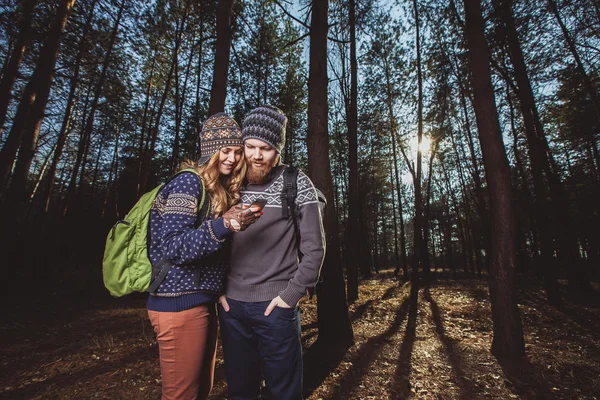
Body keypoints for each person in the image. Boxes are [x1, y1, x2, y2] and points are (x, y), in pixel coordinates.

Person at [147, 112, 262, 400]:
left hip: (201, 303)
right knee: (181, 395)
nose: (233, 158)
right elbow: (172, 247)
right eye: (226, 151)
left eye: (237, 152)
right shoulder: (188, 183)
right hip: (177, 306)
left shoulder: (216, 190)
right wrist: (222, 225)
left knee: (200, 392)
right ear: (210, 151)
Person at [218, 105, 326, 400]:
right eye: (250, 146)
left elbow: (315, 248)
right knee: (240, 392)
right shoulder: (230, 184)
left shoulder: (297, 183)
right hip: (232, 310)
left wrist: (291, 295)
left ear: (278, 149)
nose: (256, 155)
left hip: (275, 308)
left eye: (265, 148)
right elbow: (215, 241)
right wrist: (220, 290)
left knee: (284, 394)